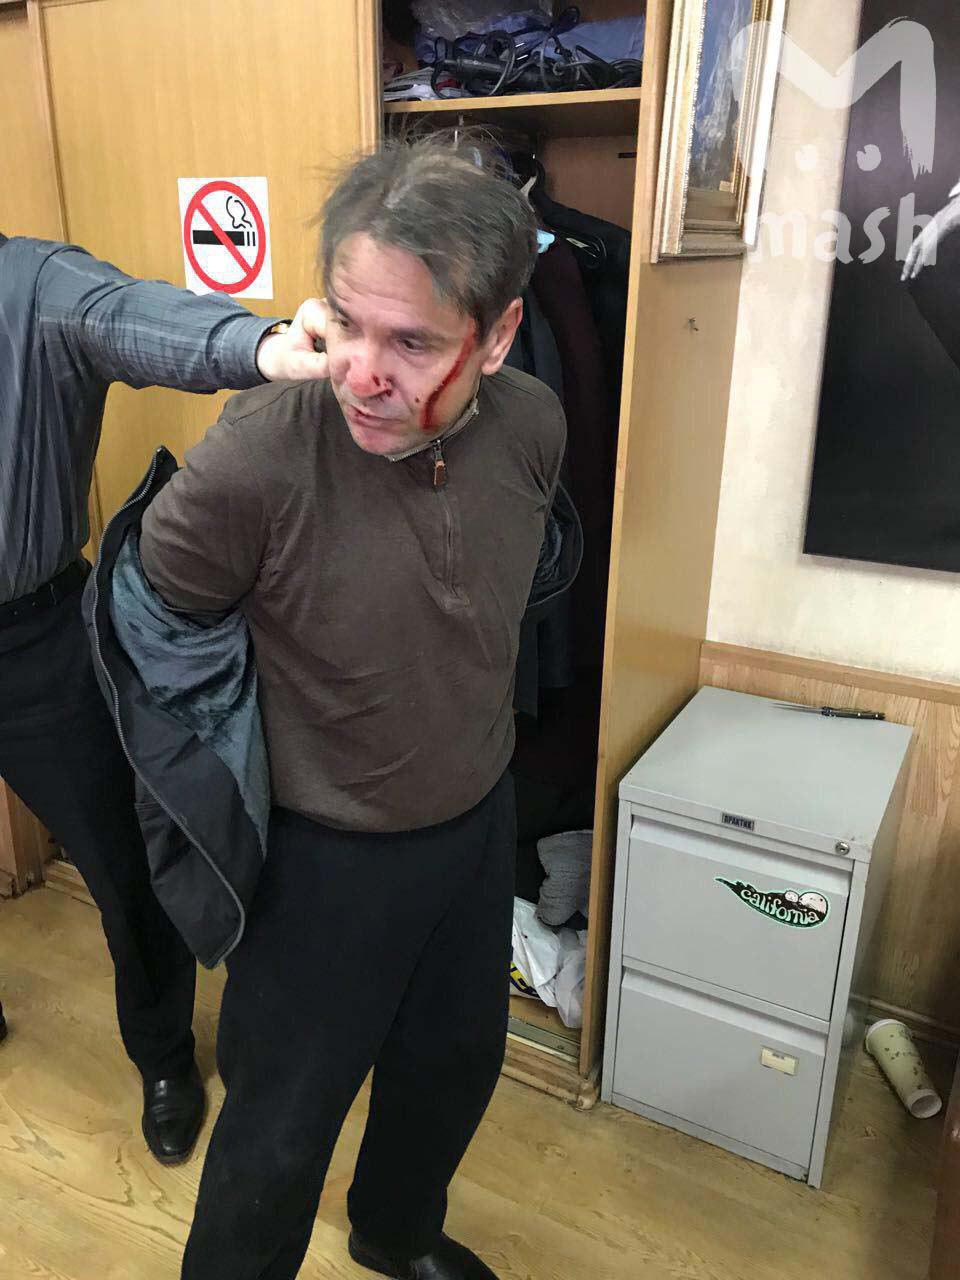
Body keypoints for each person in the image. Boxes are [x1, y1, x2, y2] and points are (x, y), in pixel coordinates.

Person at [131, 136, 567, 1280]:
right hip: (322, 864)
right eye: (347, 324)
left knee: (451, 1065)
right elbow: (154, 619)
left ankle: (394, 1233)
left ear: (498, 337)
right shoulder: (260, 456)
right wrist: (224, 815)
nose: (363, 372)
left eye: (411, 341)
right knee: (277, 1131)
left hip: (474, 820)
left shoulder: (531, 421)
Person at [0, 231, 328, 1162]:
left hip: (34, 647)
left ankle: (164, 1059)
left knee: (127, 869)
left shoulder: (33, 285)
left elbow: (131, 318)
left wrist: (264, 346)